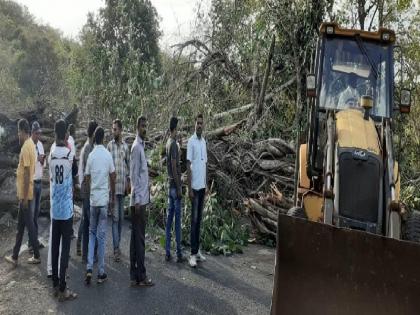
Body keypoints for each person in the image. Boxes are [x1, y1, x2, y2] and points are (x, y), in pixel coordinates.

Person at [48, 119, 77, 302]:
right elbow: (73, 174)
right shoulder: (68, 155)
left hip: (54, 208)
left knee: (55, 245)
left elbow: (51, 176)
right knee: (65, 248)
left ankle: (55, 285)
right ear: (65, 133)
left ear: (54, 133)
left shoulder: (51, 155)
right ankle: (63, 288)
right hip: (66, 209)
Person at [5, 119, 40, 266]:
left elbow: (26, 173)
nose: (18, 135)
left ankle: (37, 255)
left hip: (26, 194)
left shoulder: (26, 147)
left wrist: (25, 197)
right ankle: (14, 256)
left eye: (18, 133)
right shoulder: (31, 144)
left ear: (22, 131)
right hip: (26, 192)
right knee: (20, 227)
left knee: (30, 225)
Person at [84, 127, 116, 285]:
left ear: (94, 138)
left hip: (93, 201)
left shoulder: (91, 155)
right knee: (101, 237)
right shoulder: (107, 155)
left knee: (91, 234)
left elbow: (87, 177)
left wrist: (90, 191)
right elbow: (113, 175)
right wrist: (112, 197)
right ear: (103, 138)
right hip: (103, 201)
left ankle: (89, 267)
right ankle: (101, 271)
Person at [129, 116, 154, 287]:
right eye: (142, 126)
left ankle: (134, 275)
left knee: (134, 240)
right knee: (139, 240)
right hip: (138, 201)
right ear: (137, 127)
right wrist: (138, 199)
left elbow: (141, 175)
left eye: (146, 126)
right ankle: (141, 276)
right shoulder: (136, 148)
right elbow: (133, 175)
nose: (145, 129)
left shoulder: (141, 147)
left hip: (141, 199)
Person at [107, 119, 130, 262]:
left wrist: (129, 182)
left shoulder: (125, 147)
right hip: (113, 189)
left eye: (115, 129)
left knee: (121, 219)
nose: (113, 131)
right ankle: (116, 249)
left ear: (120, 130)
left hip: (122, 189)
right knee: (115, 219)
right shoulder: (109, 146)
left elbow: (128, 165)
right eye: (112, 129)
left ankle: (118, 245)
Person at [187, 114, 208, 268]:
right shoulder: (191, 141)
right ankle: (192, 254)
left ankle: (197, 250)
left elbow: (205, 164)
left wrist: (206, 185)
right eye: (197, 123)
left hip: (202, 188)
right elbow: (188, 165)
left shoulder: (203, 142)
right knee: (193, 221)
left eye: (201, 123)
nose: (199, 125)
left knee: (199, 220)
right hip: (194, 187)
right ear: (194, 124)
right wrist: (189, 188)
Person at [165, 117, 185, 263]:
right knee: (177, 221)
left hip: (168, 185)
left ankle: (167, 251)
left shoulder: (169, 143)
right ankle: (178, 252)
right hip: (173, 187)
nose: (178, 131)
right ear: (174, 129)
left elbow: (175, 160)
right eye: (177, 129)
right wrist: (179, 187)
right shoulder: (172, 144)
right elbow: (173, 165)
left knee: (169, 220)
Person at [77, 121, 98, 260]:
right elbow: (88, 174)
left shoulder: (89, 146)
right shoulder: (88, 148)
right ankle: (89, 253)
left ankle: (84, 251)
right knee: (90, 223)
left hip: (86, 189)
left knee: (86, 221)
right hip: (87, 190)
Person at [29, 121, 45, 252]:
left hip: (39, 181)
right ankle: (32, 242)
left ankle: (33, 240)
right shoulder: (28, 145)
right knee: (31, 213)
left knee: (36, 214)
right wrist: (36, 159)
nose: (39, 135)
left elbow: (42, 165)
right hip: (32, 183)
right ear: (32, 133)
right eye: (37, 133)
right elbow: (27, 165)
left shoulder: (40, 144)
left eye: (39, 133)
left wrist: (42, 160)